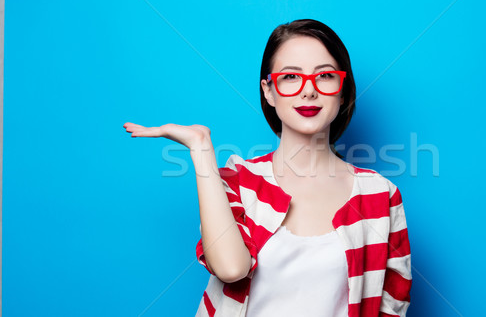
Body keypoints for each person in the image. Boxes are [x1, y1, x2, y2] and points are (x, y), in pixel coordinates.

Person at [124, 19, 411, 317]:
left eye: (324, 75)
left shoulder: (380, 195)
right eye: (290, 77)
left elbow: (392, 305)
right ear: (269, 91)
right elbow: (231, 269)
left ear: (342, 90)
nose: (308, 91)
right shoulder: (237, 182)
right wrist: (201, 150)